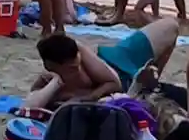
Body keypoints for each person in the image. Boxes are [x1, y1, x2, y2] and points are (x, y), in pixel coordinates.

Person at [22, 21, 180, 111]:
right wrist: (56, 82)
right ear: (53, 66)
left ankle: (153, 79)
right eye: (71, 68)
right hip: (128, 86)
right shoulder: (51, 81)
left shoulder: (78, 51)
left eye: (76, 64)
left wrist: (89, 97)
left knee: (170, 26)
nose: (76, 68)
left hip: (119, 60)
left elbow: (114, 82)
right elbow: (29, 107)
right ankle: (149, 86)